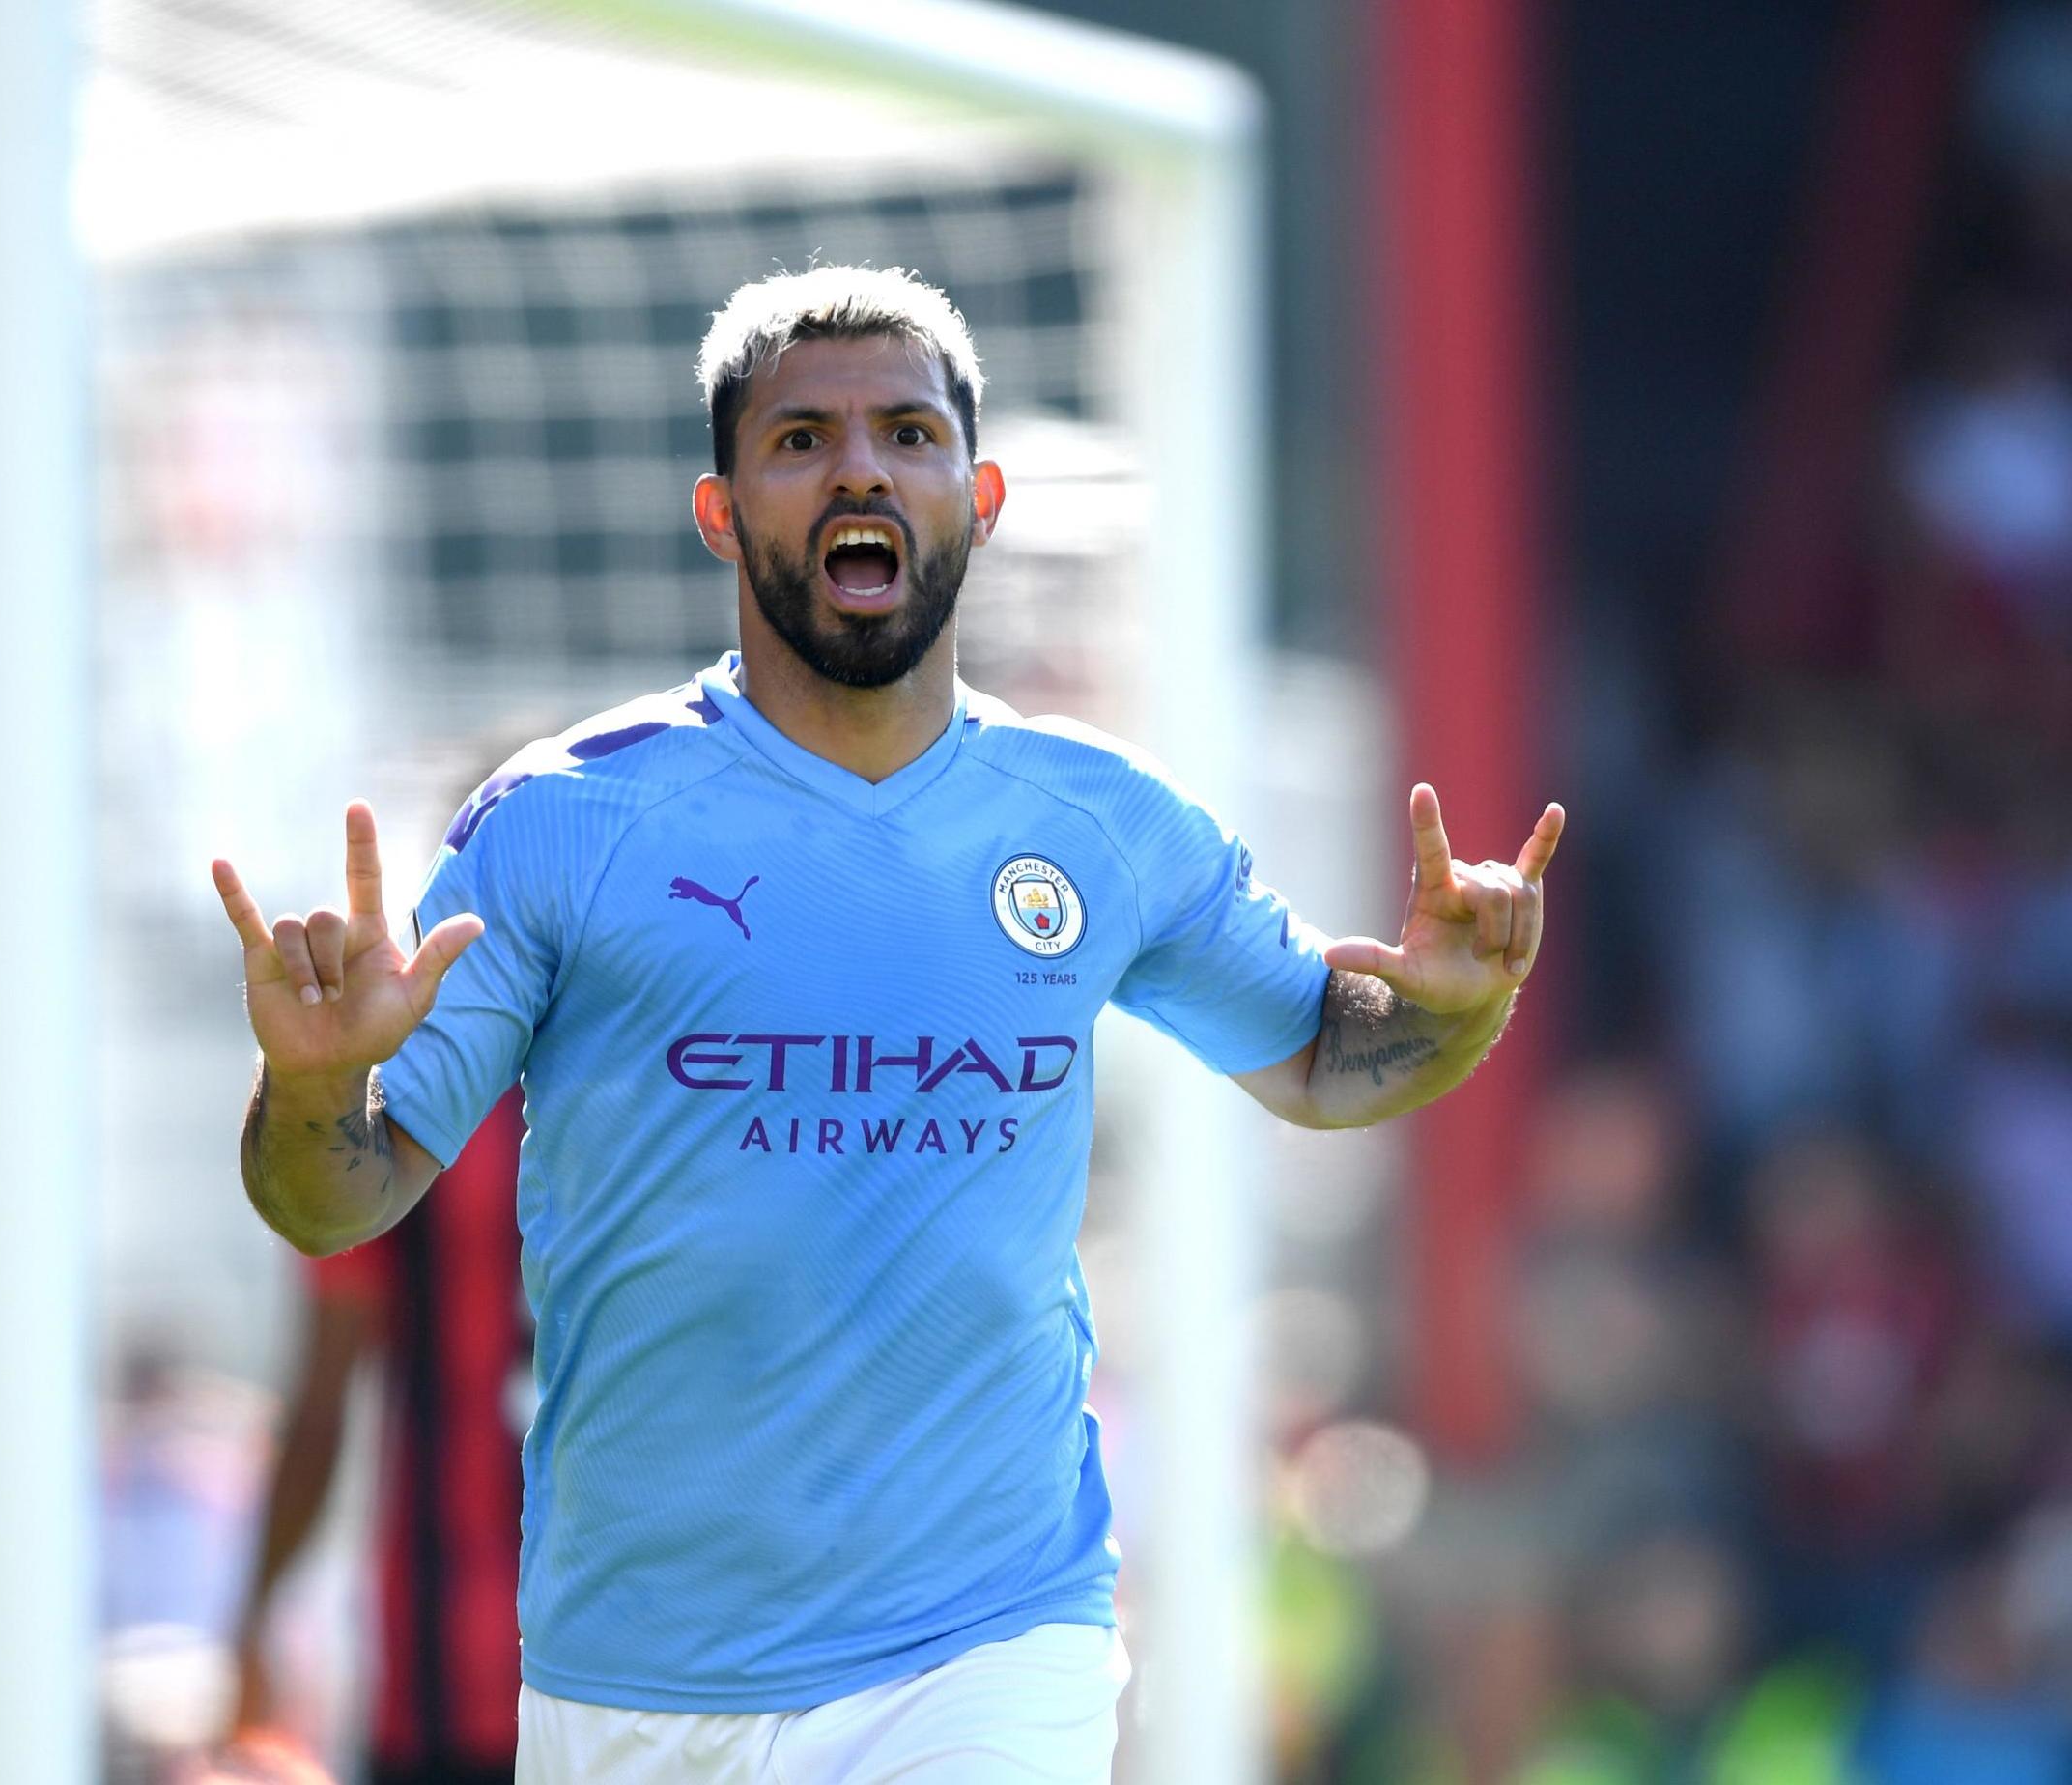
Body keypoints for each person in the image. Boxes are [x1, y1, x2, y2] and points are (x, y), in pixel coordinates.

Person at [210, 265, 1564, 1784]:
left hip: (993, 1644)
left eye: (907, 434)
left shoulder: (1103, 822)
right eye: (802, 442)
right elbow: (334, 1202)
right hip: (639, 1674)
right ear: (720, 511)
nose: (861, 466)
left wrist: (1454, 1005)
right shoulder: (563, 822)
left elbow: (1329, 1057)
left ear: (977, 497)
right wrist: (310, 1082)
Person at [227, 1090, 528, 1785]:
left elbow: (320, 1409)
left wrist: (253, 1620)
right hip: (634, 1662)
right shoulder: (637, 1080)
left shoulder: (410, 1107)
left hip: (448, 1673)